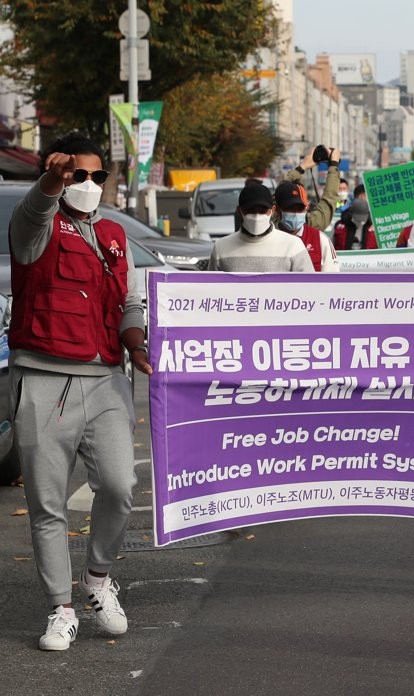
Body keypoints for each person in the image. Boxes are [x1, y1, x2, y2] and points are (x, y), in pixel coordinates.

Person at [9, 132, 153, 651]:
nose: (87, 185)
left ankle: (97, 578)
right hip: (44, 378)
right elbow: (31, 217)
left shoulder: (115, 234)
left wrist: (135, 342)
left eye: (97, 176)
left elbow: (130, 302)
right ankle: (60, 609)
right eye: (78, 176)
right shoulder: (37, 224)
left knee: (118, 485)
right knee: (47, 504)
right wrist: (51, 181)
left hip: (107, 380)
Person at [208, 183, 314, 272]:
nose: (256, 216)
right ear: (239, 211)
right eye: (251, 210)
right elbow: (211, 289)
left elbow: (309, 289)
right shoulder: (221, 248)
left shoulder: (293, 246)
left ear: (272, 210)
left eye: (262, 210)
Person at [275, 149, 341, 271]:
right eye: (289, 208)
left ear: (306, 208)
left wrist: (302, 167)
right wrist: (333, 164)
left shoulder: (316, 235)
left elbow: (329, 197)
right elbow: (278, 194)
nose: (295, 213)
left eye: (299, 208)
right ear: (277, 210)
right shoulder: (269, 231)